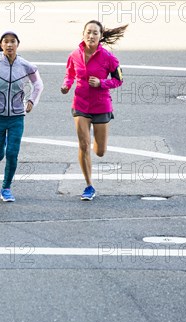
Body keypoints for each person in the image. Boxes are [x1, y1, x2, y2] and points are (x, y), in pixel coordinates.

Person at [61, 20, 127, 201]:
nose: (91, 36)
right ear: (83, 34)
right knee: (83, 145)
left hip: (101, 105)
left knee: (100, 151)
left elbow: (119, 80)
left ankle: (97, 150)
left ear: (101, 36)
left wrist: (101, 83)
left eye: (95, 33)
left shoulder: (108, 58)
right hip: (80, 104)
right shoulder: (74, 55)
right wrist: (66, 85)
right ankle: (89, 186)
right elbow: (70, 74)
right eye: (88, 32)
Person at [0, 31, 44, 202]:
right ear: (1, 45)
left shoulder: (25, 65)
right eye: (6, 42)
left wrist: (31, 102)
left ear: (17, 44)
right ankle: (2, 146)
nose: (9, 45)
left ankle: (6, 188)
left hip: (17, 117)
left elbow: (38, 84)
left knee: (13, 154)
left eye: (12, 41)